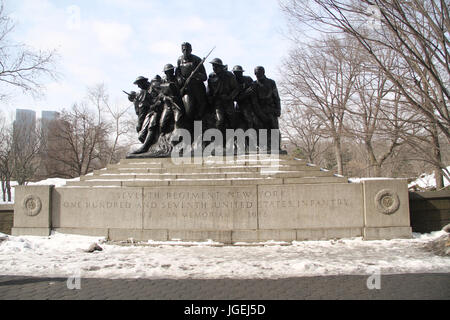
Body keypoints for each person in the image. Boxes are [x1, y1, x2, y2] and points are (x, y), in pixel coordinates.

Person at [130, 75, 164, 155]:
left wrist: (156, 104)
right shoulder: (145, 91)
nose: (138, 86)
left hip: (160, 108)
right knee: (141, 133)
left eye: (139, 84)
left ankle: (145, 147)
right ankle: (148, 146)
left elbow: (162, 95)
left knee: (152, 123)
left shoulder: (154, 86)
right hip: (152, 110)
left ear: (144, 82)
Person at [175, 42, 208, 121]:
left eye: (187, 49)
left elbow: (204, 77)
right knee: (189, 111)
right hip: (187, 89)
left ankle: (198, 131)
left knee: (200, 110)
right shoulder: (179, 60)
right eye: (184, 50)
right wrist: (180, 80)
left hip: (198, 88)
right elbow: (177, 73)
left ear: (191, 50)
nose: (185, 51)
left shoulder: (197, 60)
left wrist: (196, 75)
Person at [253, 66, 282, 151]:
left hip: (271, 109)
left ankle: (276, 147)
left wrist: (278, 109)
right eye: (256, 73)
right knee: (260, 128)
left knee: (274, 128)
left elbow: (276, 97)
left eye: (259, 72)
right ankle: (263, 147)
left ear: (263, 72)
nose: (258, 74)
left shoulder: (271, 82)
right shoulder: (254, 84)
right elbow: (254, 101)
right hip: (260, 110)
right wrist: (259, 113)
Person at [207, 58, 239, 132]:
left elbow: (236, 89)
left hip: (228, 101)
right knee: (219, 120)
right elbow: (209, 90)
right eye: (213, 66)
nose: (214, 68)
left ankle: (233, 137)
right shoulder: (211, 76)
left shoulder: (229, 75)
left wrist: (230, 97)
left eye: (216, 66)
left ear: (221, 67)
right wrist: (210, 99)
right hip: (218, 102)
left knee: (232, 119)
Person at [232, 65, 262, 130]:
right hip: (240, 105)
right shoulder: (233, 82)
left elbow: (253, 89)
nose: (237, 74)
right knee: (246, 120)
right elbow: (234, 97)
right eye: (236, 73)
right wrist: (245, 93)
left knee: (254, 120)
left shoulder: (248, 79)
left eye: (239, 73)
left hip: (251, 104)